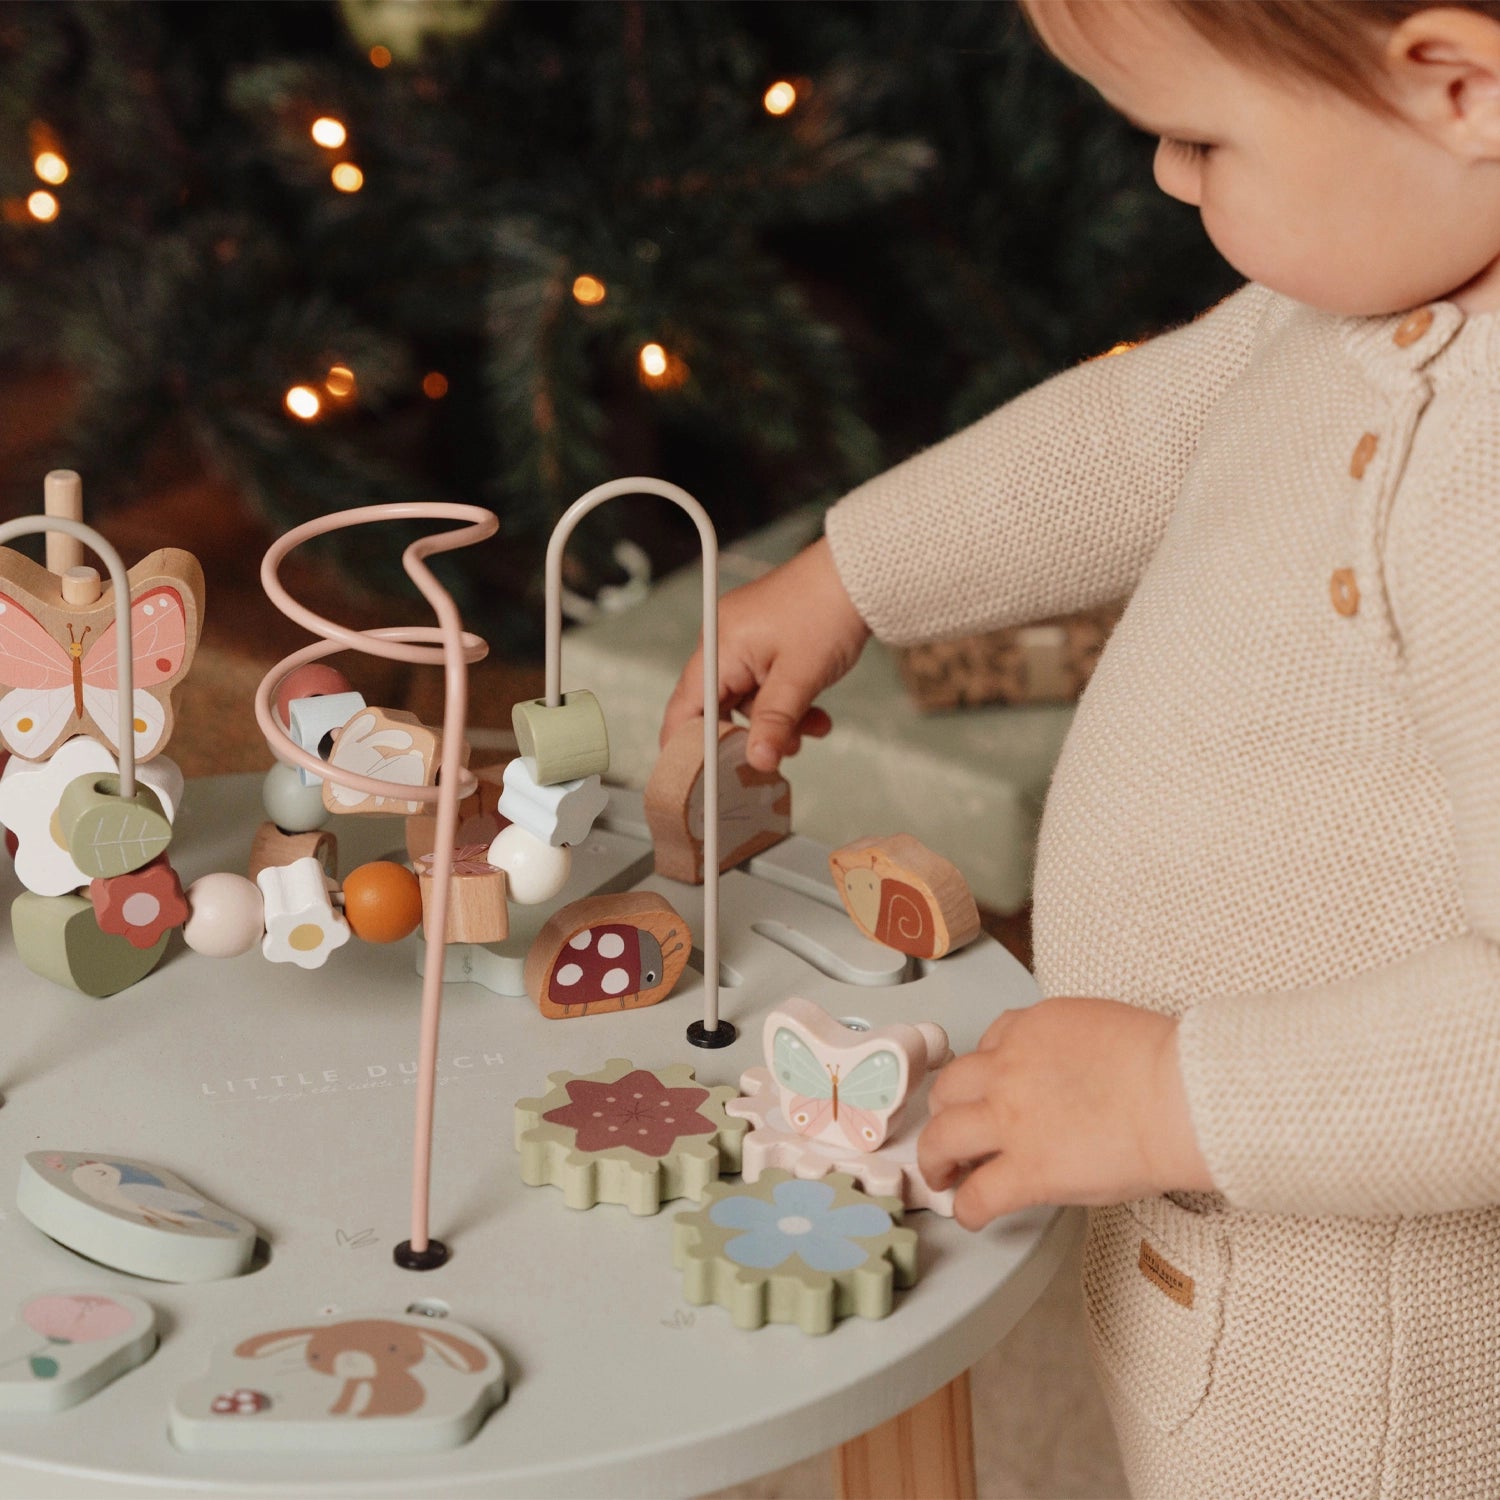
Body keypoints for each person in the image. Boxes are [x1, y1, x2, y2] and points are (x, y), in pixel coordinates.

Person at [659, 2, 1500, 1493]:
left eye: (1200, 135)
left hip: (1366, 1355)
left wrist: (1171, 1099)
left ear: (1458, 88)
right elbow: (1137, 432)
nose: (1171, 181)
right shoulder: (1386, 280)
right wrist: (851, 577)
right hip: (1209, 1239)